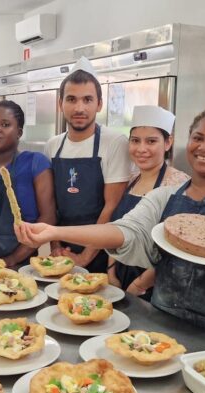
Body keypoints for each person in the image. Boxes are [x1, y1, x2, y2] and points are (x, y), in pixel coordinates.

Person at [17, 104, 205, 336]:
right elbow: (123, 231)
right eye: (198, 138)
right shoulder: (163, 196)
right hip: (160, 314)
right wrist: (53, 232)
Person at [44, 57, 131, 273]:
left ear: (99, 104)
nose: (79, 108)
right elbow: (51, 203)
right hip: (61, 249)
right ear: (60, 103)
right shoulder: (53, 145)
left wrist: (84, 257)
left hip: (99, 250)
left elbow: (111, 207)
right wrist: (56, 247)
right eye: (71, 99)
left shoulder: (115, 142)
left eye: (88, 99)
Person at [107, 106, 190, 294]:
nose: (141, 149)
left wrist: (139, 285)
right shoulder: (131, 179)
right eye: (135, 141)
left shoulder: (179, 183)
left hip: (155, 282)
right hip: (120, 274)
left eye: (151, 141)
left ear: (168, 142)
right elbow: (118, 228)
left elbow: (176, 250)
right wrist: (111, 272)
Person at [0, 100, 56, 267]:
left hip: (21, 264)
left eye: (5, 124)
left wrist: (12, 259)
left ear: (19, 132)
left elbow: (48, 217)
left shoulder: (35, 164)